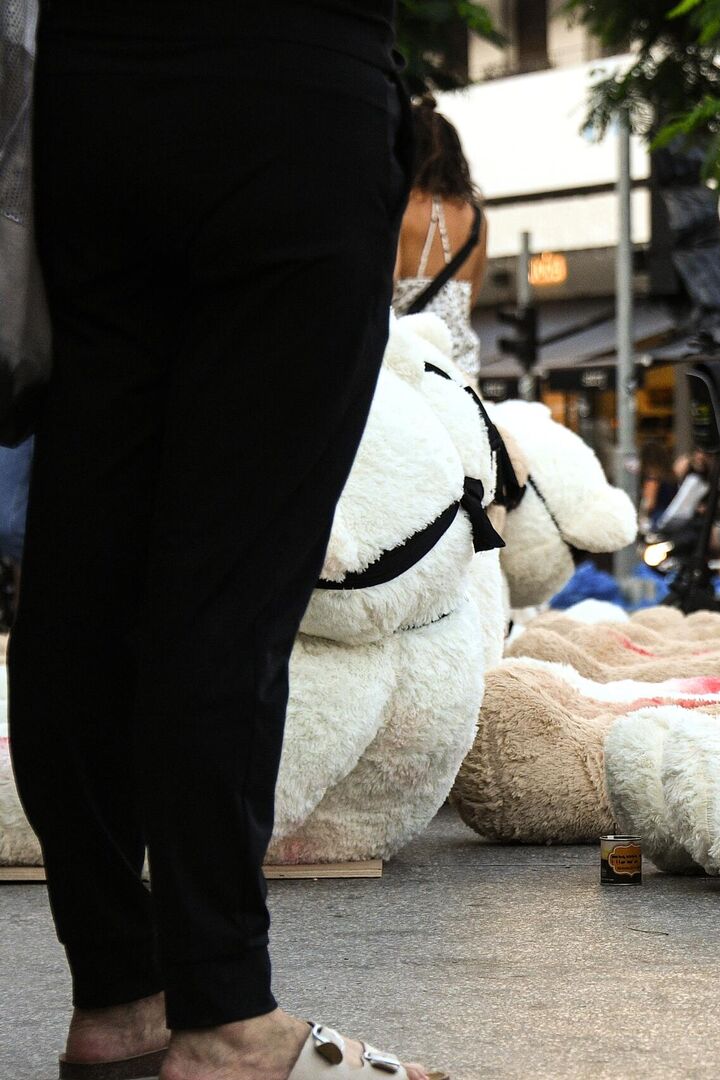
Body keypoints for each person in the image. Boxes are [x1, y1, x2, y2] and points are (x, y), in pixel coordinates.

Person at [17, 3, 439, 1078]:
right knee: (231, 592)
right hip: (289, 86)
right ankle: (224, 1019)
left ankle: (117, 996)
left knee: (85, 563)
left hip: (87, 94)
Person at [391, 98, 486, 377]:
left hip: (412, 358)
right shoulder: (476, 217)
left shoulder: (400, 207)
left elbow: (388, 283)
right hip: (460, 363)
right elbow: (470, 296)